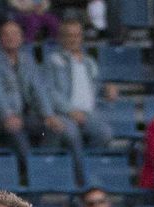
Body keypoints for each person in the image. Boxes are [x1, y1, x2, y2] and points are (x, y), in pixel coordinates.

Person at [40, 16, 113, 186]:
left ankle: (88, 170)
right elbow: (49, 91)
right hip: (64, 113)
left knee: (105, 133)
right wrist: (69, 111)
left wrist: (107, 90)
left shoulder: (89, 62)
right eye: (69, 35)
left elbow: (97, 85)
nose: (73, 39)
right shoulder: (53, 60)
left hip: (88, 114)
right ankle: (84, 182)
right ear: (61, 38)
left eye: (77, 35)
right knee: (72, 134)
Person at [0, 19, 54, 168]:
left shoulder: (27, 60)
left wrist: (48, 115)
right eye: (6, 34)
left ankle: (45, 167)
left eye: (15, 34)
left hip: (24, 116)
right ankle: (34, 172)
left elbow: (38, 89)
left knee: (53, 129)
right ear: (0, 38)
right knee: (16, 131)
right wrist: (8, 116)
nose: (11, 38)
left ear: (21, 37)